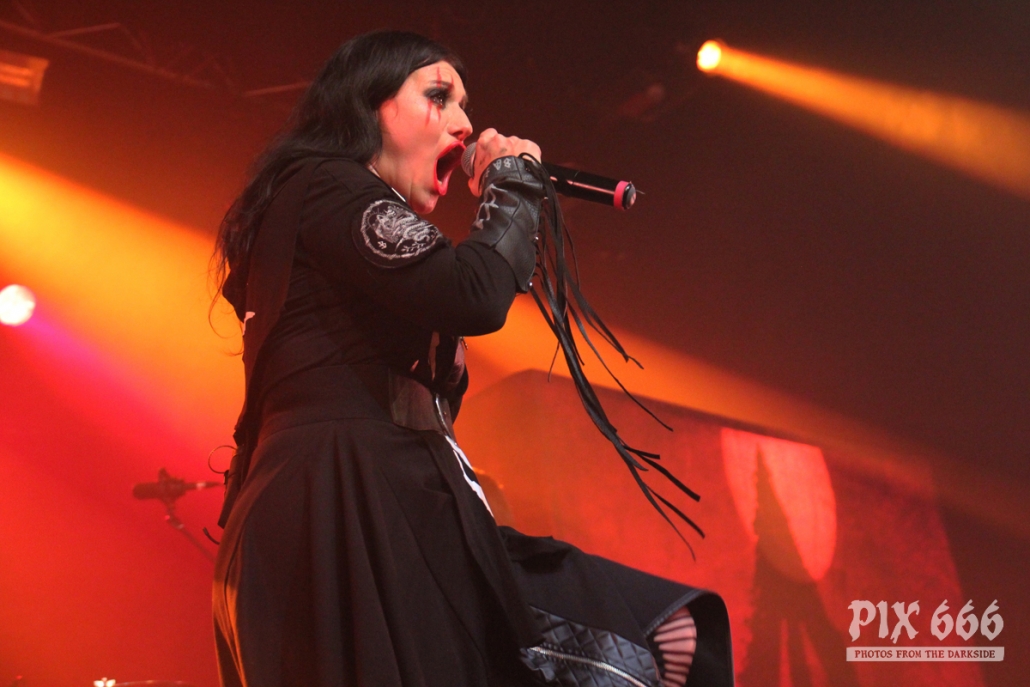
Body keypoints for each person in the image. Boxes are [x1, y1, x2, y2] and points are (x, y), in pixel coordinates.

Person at [211, 30, 733, 687]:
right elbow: (475, 294)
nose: (464, 123)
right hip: (347, 503)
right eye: (439, 97)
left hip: (396, 501)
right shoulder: (327, 186)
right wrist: (510, 185)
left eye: (463, 104)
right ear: (367, 105)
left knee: (668, 630)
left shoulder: (340, 213)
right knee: (650, 636)